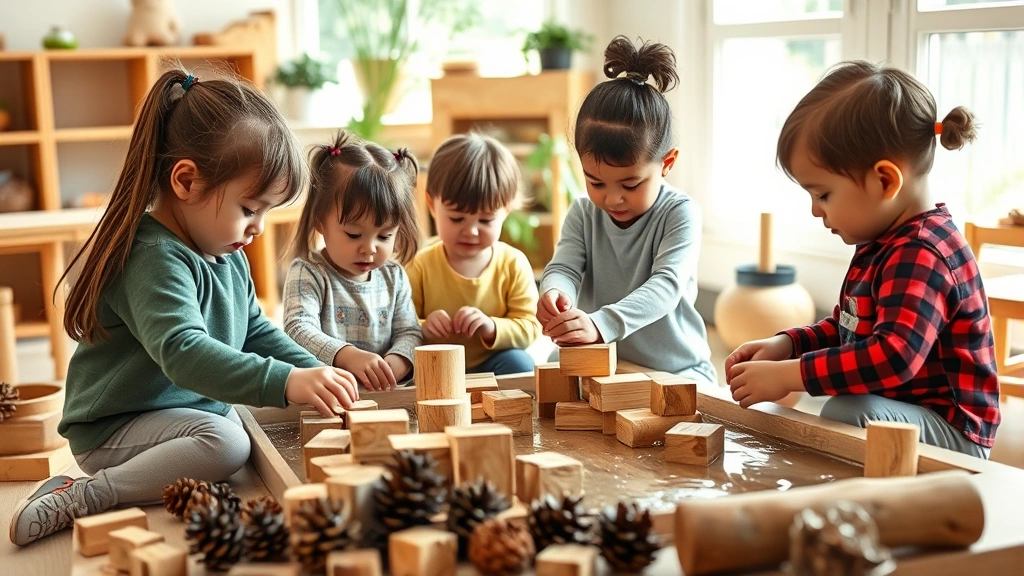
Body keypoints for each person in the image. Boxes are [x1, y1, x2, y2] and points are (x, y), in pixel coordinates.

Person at [10, 69, 359, 546]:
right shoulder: (151, 255)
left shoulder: (224, 249)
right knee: (230, 442)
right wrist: (286, 381)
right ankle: (87, 494)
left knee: (248, 422)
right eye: (251, 208)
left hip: (175, 412)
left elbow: (256, 329)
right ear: (186, 181)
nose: (257, 228)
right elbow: (183, 351)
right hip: (115, 429)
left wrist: (317, 371)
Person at [726, 60, 999, 458]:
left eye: (823, 195)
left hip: (954, 433)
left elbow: (893, 356)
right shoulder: (881, 239)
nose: (816, 211)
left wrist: (791, 374)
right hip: (905, 409)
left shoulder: (922, 251)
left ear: (884, 181)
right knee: (842, 409)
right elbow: (849, 328)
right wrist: (787, 345)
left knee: (847, 412)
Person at [537, 36, 716, 385]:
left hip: (674, 368)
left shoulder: (680, 213)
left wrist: (601, 324)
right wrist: (554, 292)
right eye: (596, 182)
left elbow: (666, 287)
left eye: (630, 185)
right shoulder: (583, 212)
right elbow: (564, 266)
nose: (613, 199)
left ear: (667, 163)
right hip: (595, 360)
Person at [283, 131, 422, 390]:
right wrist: (347, 356)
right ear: (320, 223)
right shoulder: (309, 272)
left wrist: (396, 363)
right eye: (354, 234)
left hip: (384, 395)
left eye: (384, 235)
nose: (369, 248)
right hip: (326, 394)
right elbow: (298, 329)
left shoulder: (394, 276)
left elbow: (410, 332)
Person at [406, 133, 541, 375]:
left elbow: (530, 327)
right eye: (457, 218)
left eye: (486, 220)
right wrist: (424, 327)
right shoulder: (420, 263)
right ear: (431, 205)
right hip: (435, 364)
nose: (470, 231)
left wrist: (491, 327)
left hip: (491, 362)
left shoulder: (513, 264)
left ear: (506, 210)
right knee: (400, 366)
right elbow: (397, 324)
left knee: (521, 364)